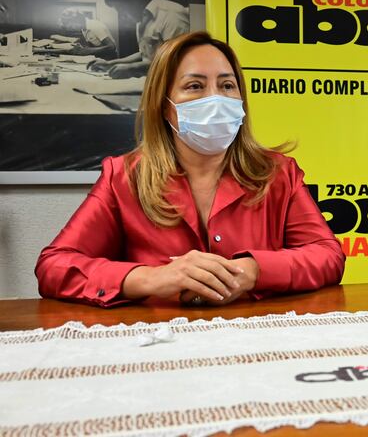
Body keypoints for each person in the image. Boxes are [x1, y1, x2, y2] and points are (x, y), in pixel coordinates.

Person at [36, 31, 345, 307]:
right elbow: (54, 266)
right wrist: (151, 278)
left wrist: (253, 271)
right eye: (195, 86)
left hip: (257, 338)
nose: (215, 98)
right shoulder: (124, 177)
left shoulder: (277, 172)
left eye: (227, 85)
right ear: (163, 104)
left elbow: (328, 255)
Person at [88, 0, 189, 79]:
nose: (122, 16)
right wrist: (110, 64)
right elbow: (144, 54)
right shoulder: (142, 20)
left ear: (132, 1)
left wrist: (133, 68)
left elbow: (174, 61)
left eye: (121, 10)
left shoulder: (172, 13)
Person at [52, 8, 117, 58]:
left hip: (109, 58)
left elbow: (111, 47)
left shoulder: (94, 25)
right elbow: (91, 46)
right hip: (100, 57)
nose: (72, 28)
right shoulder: (84, 29)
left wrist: (87, 51)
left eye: (71, 25)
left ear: (77, 20)